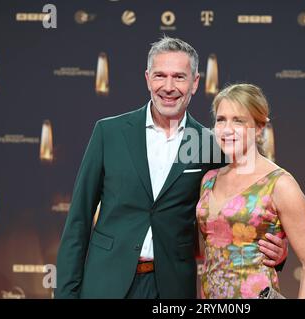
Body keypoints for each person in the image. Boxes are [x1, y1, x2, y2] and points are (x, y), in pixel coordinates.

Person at [55, 37, 287, 299]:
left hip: (172, 288)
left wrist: (277, 250)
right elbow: (78, 220)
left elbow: (248, 203)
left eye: (179, 77)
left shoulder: (210, 145)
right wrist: (65, 293)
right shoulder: (109, 133)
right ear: (147, 79)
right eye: (160, 76)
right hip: (105, 283)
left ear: (195, 82)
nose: (168, 87)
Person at [197, 83, 305, 299]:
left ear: (258, 128)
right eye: (221, 120)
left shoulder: (280, 184)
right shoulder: (209, 180)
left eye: (238, 120)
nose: (227, 129)